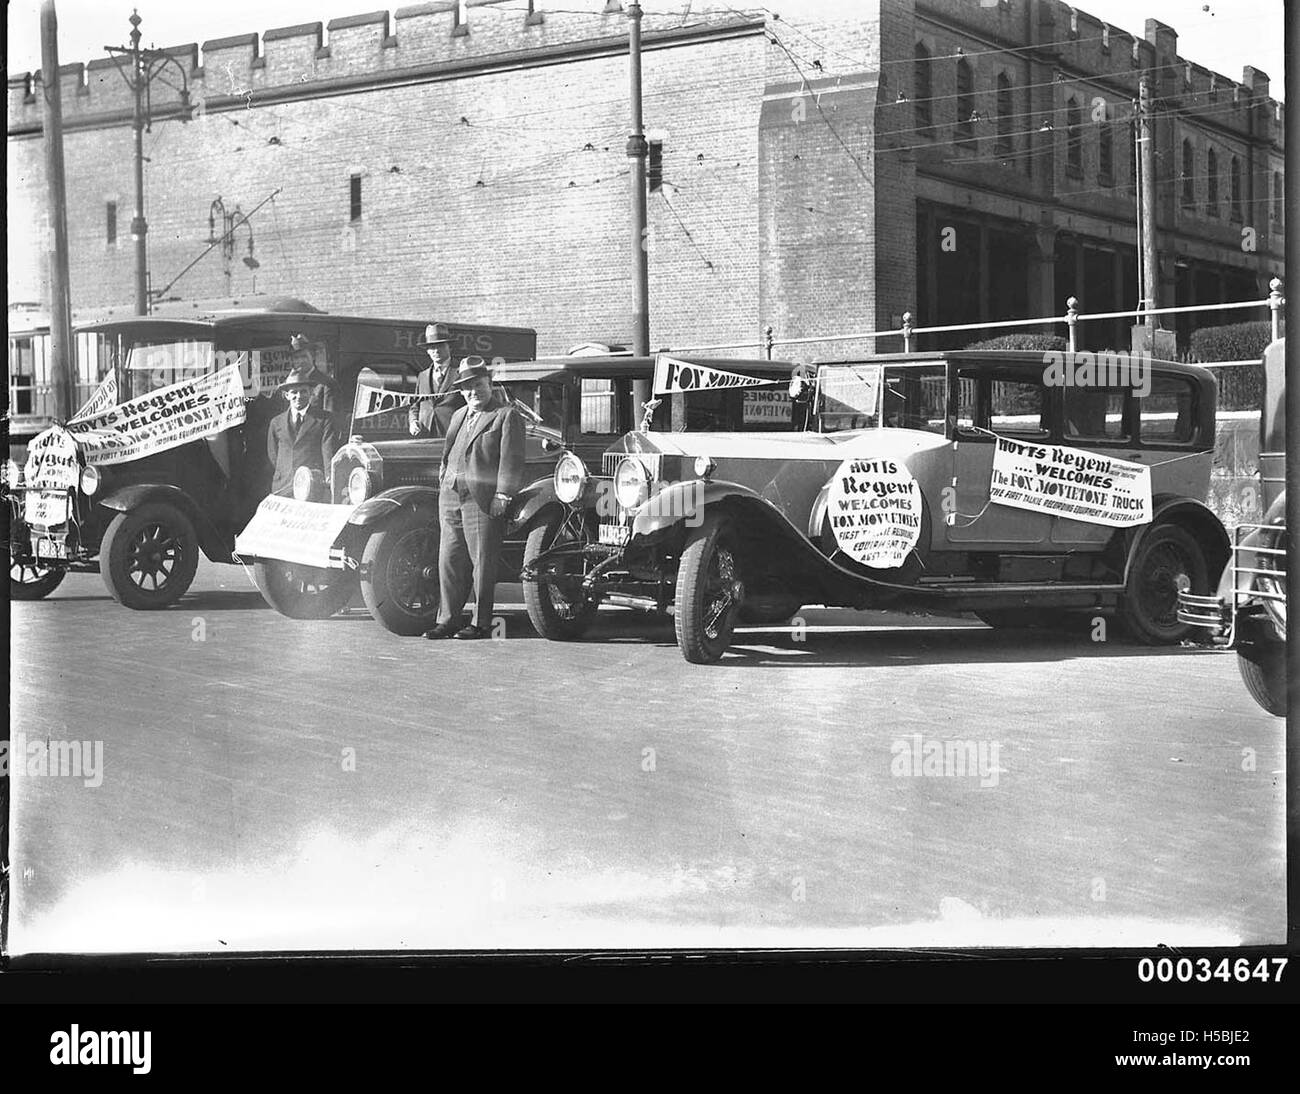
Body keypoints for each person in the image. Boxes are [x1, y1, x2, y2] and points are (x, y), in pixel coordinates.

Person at [424, 356, 526, 640]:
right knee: (449, 560)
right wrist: (445, 481)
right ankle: (447, 620)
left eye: (478, 385)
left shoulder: (506, 415)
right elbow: (447, 453)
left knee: (482, 561)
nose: (473, 392)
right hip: (451, 498)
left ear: (490, 384)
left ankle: (480, 624)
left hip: (481, 500)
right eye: (467, 388)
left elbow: (512, 461)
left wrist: (503, 496)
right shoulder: (458, 416)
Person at [267, 365, 342, 497]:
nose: (299, 396)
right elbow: (273, 455)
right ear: (286, 395)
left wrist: (329, 480)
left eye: (303, 391)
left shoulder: (324, 420)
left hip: (311, 486)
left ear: (311, 393)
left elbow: (328, 452)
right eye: (294, 392)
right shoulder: (276, 422)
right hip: (282, 487)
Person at [409, 322, 463, 437]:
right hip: (425, 436)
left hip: (454, 435)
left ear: (450, 347)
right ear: (427, 351)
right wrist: (413, 421)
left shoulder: (461, 371)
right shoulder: (422, 376)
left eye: (441, 346)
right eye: (432, 347)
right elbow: (415, 406)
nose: (436, 351)